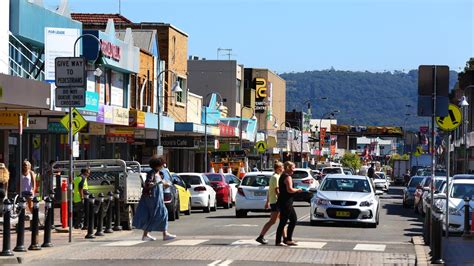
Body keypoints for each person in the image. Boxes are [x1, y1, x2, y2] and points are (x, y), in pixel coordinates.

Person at [133, 156, 176, 241]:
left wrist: (164, 184)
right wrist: (158, 183)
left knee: (162, 213)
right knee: (158, 214)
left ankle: (161, 234)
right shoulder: (151, 173)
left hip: (158, 197)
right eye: (161, 164)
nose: (163, 166)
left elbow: (159, 184)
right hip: (152, 197)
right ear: (157, 165)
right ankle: (153, 234)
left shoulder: (160, 174)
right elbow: (148, 184)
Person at [255, 161, 286, 244]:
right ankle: (261, 236)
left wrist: (267, 201)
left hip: (274, 201)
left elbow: (269, 190)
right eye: (282, 167)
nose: (283, 168)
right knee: (274, 221)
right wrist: (282, 199)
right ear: (278, 168)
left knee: (280, 220)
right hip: (276, 201)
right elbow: (276, 190)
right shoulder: (276, 177)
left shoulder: (275, 176)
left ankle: (285, 238)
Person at [275, 161, 302, 246]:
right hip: (286, 202)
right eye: (292, 168)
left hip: (283, 201)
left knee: (286, 221)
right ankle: (286, 240)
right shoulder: (288, 177)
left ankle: (281, 240)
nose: (294, 170)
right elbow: (289, 190)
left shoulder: (282, 176)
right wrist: (298, 190)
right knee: (290, 220)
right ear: (288, 168)